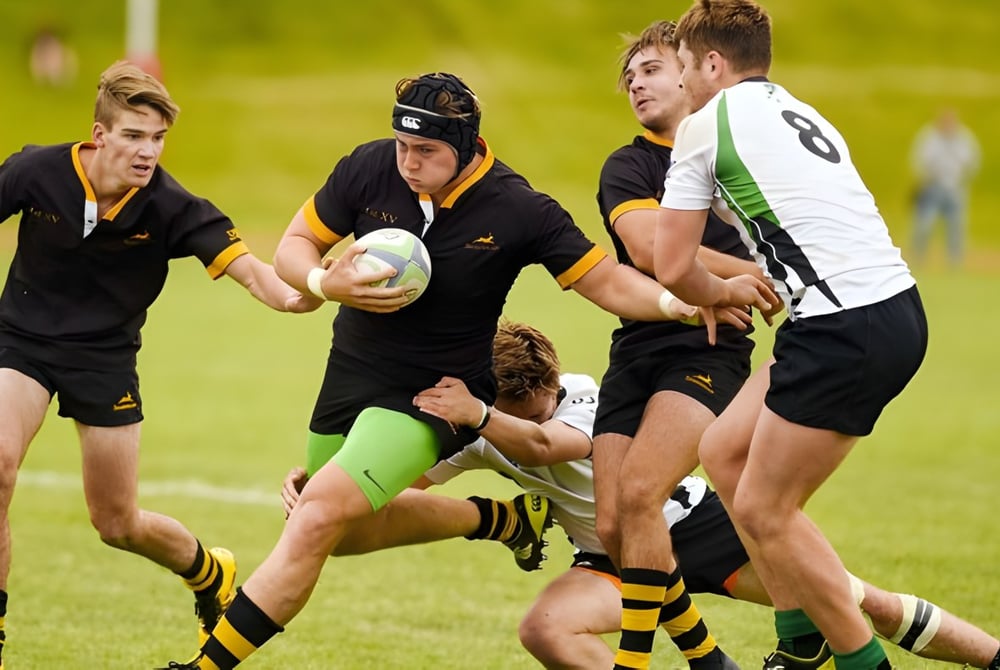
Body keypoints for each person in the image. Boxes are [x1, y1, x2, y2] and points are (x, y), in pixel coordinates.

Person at [158, 70, 760, 669]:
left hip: (435, 394)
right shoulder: (369, 167)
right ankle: (496, 518)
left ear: (467, 144)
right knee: (342, 533)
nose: (409, 163)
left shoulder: (520, 208)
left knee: (315, 516)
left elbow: (604, 279)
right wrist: (325, 280)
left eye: (427, 151)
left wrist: (677, 300)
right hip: (351, 375)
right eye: (402, 146)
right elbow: (295, 244)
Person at [282, 320, 1000, 670]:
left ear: (551, 382)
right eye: (516, 403)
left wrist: (481, 419)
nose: (535, 408)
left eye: (536, 398)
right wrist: (328, 485)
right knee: (544, 630)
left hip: (697, 531)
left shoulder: (586, 400)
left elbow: (549, 446)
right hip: (609, 562)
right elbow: (401, 484)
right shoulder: (490, 424)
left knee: (857, 602)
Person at [0, 61, 322, 668]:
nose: (147, 152)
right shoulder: (36, 171)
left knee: (117, 523)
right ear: (100, 134)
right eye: (133, 135)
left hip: (104, 362)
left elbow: (253, 272)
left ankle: (208, 571)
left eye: (157, 138)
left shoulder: (172, 207)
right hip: (20, 345)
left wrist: (308, 291)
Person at [653, 2, 929, 669]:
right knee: (722, 450)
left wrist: (720, 292)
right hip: (881, 306)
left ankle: (863, 662)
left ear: (712, 64)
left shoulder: (703, 125)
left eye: (686, 66)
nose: (684, 83)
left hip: (843, 326)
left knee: (766, 509)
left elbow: (670, 264)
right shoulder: (795, 108)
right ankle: (799, 642)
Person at [592, 19, 776, 670]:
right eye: (630, 75)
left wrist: (745, 280)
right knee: (614, 526)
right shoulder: (630, 164)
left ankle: (633, 665)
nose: (637, 83)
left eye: (651, 68)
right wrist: (748, 277)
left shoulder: (733, 158)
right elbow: (650, 251)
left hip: (708, 350)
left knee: (643, 491)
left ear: (694, 70)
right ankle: (709, 658)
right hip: (636, 349)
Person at [910, 107, 980, 267]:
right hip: (933, 189)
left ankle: (954, 263)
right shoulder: (929, 138)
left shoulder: (964, 138)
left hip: (955, 189)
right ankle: (918, 259)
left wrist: (962, 179)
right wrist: (926, 179)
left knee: (956, 227)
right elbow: (919, 161)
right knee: (924, 225)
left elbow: (973, 161)